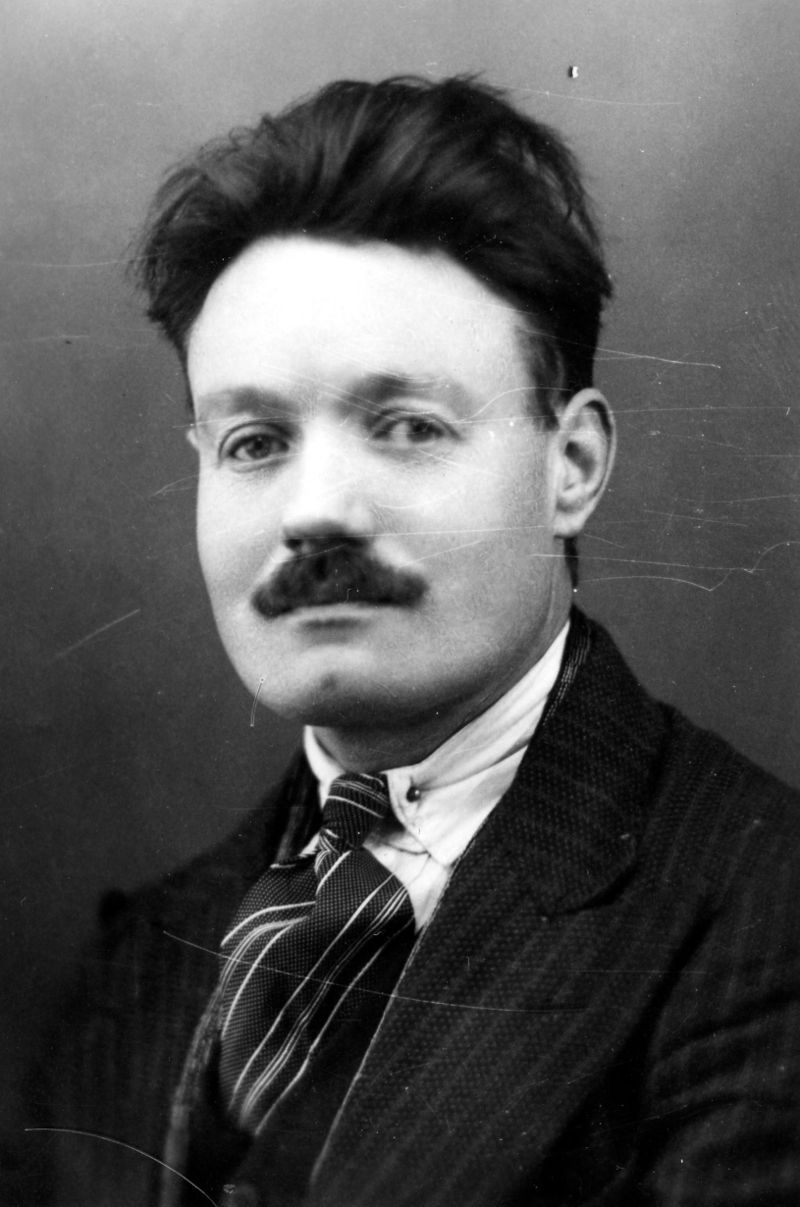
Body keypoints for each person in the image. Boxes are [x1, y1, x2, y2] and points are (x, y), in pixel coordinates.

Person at [20, 75, 800, 1207]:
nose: (315, 511)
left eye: (405, 427)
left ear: (571, 465)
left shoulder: (764, 917)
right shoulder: (137, 962)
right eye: (254, 442)